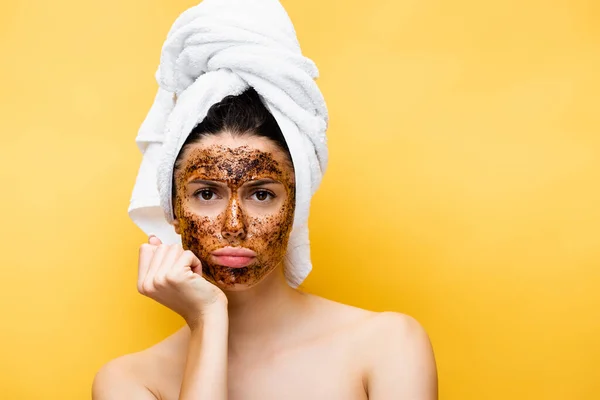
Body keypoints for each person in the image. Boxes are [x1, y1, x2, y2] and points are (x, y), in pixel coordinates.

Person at [93, 2, 437, 399]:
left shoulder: (388, 346)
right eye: (206, 193)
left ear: (295, 204)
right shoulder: (129, 381)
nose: (234, 225)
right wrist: (208, 321)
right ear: (173, 206)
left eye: (261, 194)